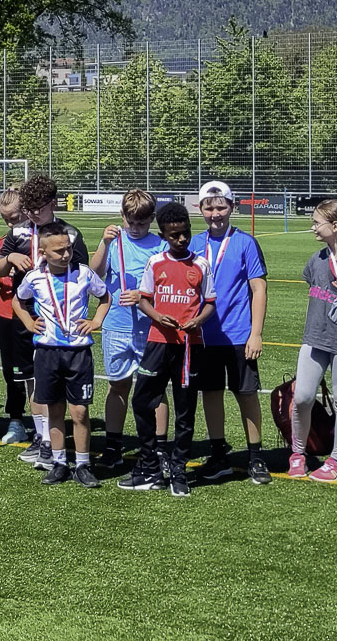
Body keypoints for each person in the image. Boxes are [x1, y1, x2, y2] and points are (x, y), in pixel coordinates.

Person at [121, 201, 215, 496]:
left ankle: (178, 470)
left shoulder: (201, 265)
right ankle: (150, 465)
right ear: (163, 235)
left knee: (185, 410)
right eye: (175, 235)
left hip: (188, 346)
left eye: (185, 233)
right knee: (142, 401)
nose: (182, 239)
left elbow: (210, 303)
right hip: (158, 343)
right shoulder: (155, 263)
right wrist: (157, 316)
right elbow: (144, 299)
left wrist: (198, 320)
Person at [0, 175, 89, 469]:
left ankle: (55, 440)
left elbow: (83, 274)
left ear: (53, 203)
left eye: (39, 207)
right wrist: (11, 257)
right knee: (30, 378)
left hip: (58, 320)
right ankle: (42, 439)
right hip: (26, 317)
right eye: (29, 208)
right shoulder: (19, 231)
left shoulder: (69, 234)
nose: (33, 213)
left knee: (54, 382)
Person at [13, 223, 110, 486]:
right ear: (43, 253)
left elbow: (105, 297)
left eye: (68, 249)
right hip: (47, 353)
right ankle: (59, 463)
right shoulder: (34, 278)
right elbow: (17, 300)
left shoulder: (83, 273)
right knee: (54, 410)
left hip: (78, 353)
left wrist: (96, 321)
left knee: (79, 412)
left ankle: (83, 464)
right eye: (58, 251)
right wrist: (28, 322)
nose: (65, 255)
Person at [189, 181, 271, 485]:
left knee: (246, 394)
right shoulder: (193, 243)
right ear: (200, 209)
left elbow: (258, 288)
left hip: (238, 334)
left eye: (221, 207)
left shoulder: (245, 242)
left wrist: (256, 333)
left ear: (232, 207)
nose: (215, 213)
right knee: (211, 394)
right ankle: (218, 454)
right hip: (204, 335)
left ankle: (256, 455)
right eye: (209, 207)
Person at [288, 198, 337, 482]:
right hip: (314, 336)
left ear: (335, 226)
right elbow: (314, 286)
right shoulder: (316, 260)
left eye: (316, 222)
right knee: (302, 397)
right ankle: (297, 453)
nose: (312, 227)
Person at [90, 189, 167, 469]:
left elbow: (166, 286)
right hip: (117, 325)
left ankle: (159, 447)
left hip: (150, 328)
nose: (135, 228)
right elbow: (95, 273)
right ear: (122, 216)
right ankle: (113, 446)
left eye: (142, 223)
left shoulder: (160, 245)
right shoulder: (115, 241)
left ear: (152, 219)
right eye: (130, 222)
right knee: (118, 385)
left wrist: (143, 296)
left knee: (155, 389)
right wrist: (104, 243)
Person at [0, 188, 32, 444]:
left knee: (37, 370)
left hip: (34, 313)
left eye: (14, 218)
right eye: (5, 219)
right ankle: (16, 419)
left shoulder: (39, 238)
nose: (9, 223)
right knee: (11, 371)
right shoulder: (4, 241)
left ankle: (45, 421)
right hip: (6, 312)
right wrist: (5, 269)